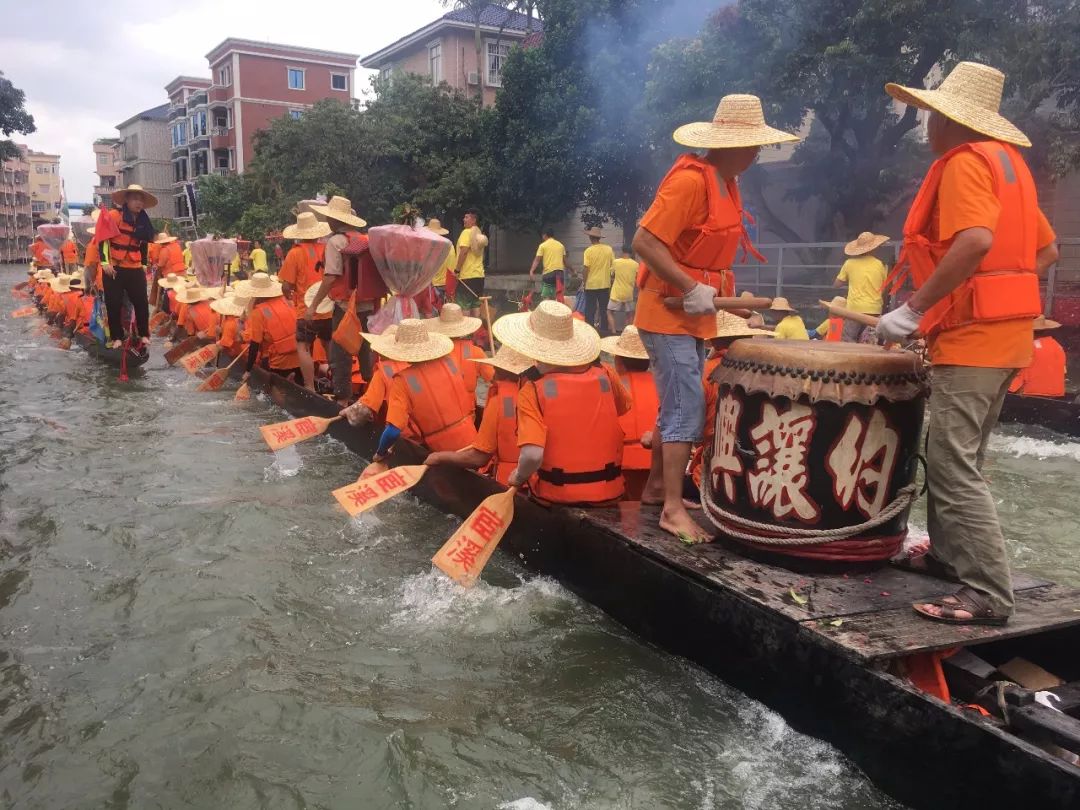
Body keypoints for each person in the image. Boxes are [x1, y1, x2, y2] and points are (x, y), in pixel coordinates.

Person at [878, 62, 1060, 625]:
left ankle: (985, 593)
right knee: (962, 457)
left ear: (948, 119)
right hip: (1007, 342)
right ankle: (948, 557)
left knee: (954, 466)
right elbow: (1045, 252)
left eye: (931, 114)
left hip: (975, 343)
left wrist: (914, 308)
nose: (927, 125)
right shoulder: (1010, 167)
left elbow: (976, 239)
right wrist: (993, 293)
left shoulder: (961, 163)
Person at [632, 94, 798, 541]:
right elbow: (645, 243)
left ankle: (654, 490)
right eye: (752, 145)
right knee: (686, 404)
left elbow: (702, 255)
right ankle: (671, 508)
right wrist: (690, 288)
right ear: (728, 144)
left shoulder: (727, 182)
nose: (758, 153)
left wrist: (726, 299)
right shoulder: (690, 183)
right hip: (666, 314)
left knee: (675, 403)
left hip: (691, 315)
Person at [493, 300, 630, 505]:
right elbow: (622, 408)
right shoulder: (607, 374)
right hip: (609, 493)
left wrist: (518, 477)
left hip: (556, 497)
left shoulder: (532, 389)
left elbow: (532, 455)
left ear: (532, 345)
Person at [354, 320, 479, 477]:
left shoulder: (402, 380)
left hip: (442, 452)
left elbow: (392, 431)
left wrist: (380, 453)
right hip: (473, 444)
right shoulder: (449, 362)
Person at [424, 345, 534, 486]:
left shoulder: (499, 401)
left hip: (511, 481)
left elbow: (478, 459)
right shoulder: (539, 392)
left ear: (501, 371)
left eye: (496, 368)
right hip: (538, 482)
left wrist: (439, 457)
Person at [689, 311, 774, 491]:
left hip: (713, 475)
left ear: (713, 341)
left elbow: (691, 431)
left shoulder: (705, 375)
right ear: (751, 338)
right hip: (763, 479)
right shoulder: (769, 375)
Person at [306, 196, 368, 407]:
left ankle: (343, 399)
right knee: (367, 352)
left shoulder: (335, 242)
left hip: (345, 307)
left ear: (333, 220)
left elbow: (331, 276)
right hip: (369, 305)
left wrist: (313, 305)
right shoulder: (363, 239)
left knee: (339, 355)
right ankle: (373, 395)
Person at [600, 325, 658, 500]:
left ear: (618, 361)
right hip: (659, 463)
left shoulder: (609, 387)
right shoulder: (664, 386)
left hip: (621, 465)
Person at [278, 211, 332, 392]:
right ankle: (335, 382)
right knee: (328, 343)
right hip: (327, 307)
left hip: (306, 309)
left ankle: (309, 387)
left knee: (303, 346)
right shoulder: (326, 248)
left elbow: (287, 285)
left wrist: (287, 293)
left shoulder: (295, 253)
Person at [100, 184, 156, 349]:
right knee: (113, 303)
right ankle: (117, 337)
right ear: (127, 200)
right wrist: (105, 262)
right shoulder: (114, 216)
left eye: (141, 200)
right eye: (135, 199)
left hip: (135, 267)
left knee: (141, 302)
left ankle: (144, 334)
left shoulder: (143, 220)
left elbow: (144, 244)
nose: (138, 203)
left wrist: (144, 264)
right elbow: (103, 239)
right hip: (115, 268)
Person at [422, 303, 492, 411]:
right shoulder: (476, 352)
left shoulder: (433, 353)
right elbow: (492, 376)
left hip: (440, 408)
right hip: (467, 411)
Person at [237, 272, 301, 384]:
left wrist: (248, 370)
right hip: (301, 356)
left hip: (278, 362)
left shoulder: (258, 312)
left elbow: (254, 345)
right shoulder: (287, 301)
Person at [834, 232, 889, 341]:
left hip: (854, 309)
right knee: (869, 342)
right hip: (874, 309)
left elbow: (837, 284)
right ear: (874, 248)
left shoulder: (849, 263)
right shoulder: (881, 264)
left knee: (847, 339)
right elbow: (885, 288)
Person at [1009, 315, 1066, 397]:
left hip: (1029, 394)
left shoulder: (1027, 347)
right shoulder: (1057, 346)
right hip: (1055, 393)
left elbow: (1019, 375)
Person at [450, 210, 487, 317]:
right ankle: (477, 331)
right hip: (479, 276)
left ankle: (467, 332)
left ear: (474, 220)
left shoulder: (466, 232)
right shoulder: (479, 236)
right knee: (475, 305)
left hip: (466, 276)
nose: (463, 219)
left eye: (466, 217)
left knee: (464, 305)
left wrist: (457, 270)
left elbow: (464, 251)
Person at [580, 227, 615, 336]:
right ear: (599, 238)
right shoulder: (609, 249)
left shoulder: (588, 251)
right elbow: (613, 267)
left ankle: (589, 332)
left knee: (590, 309)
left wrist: (584, 283)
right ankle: (604, 331)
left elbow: (586, 269)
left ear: (590, 237)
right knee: (604, 309)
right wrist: (611, 279)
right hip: (605, 284)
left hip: (591, 285)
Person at [529, 228, 572, 303]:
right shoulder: (561, 245)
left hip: (549, 274)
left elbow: (537, 260)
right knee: (559, 297)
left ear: (545, 235)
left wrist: (532, 271)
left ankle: (546, 313)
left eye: (542, 235)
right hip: (560, 274)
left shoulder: (543, 245)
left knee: (546, 298)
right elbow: (565, 262)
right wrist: (573, 270)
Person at [608, 246, 639, 334]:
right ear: (631, 253)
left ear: (622, 251)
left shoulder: (616, 262)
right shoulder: (635, 264)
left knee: (609, 312)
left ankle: (613, 331)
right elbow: (638, 279)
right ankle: (626, 333)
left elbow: (611, 275)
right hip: (629, 293)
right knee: (629, 314)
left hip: (616, 293)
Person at [426, 218, 456, 307]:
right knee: (447, 313)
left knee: (435, 313)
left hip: (435, 284)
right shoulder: (450, 245)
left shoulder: (432, 247)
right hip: (449, 284)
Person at [210, 293, 250, 358]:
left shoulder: (230, 323)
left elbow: (224, 345)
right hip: (237, 350)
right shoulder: (231, 320)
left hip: (236, 354)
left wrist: (217, 336)